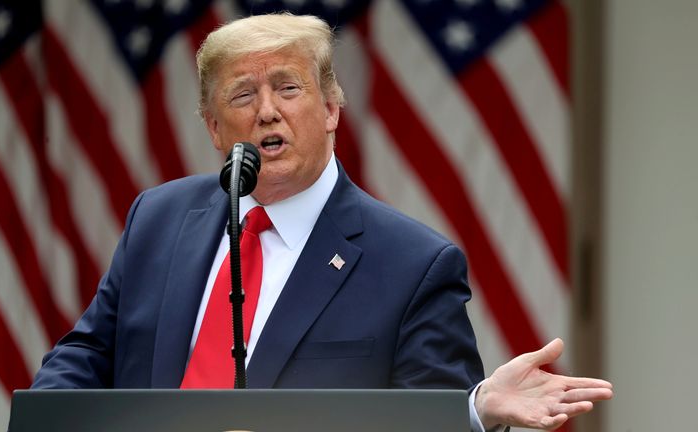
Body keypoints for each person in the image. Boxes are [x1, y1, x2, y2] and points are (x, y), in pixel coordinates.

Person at [31, 13, 612, 431]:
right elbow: (87, 355)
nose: (266, 111)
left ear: (331, 109)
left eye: (288, 88)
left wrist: (473, 409)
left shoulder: (412, 265)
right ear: (213, 127)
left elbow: (418, 413)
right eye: (242, 95)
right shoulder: (157, 218)